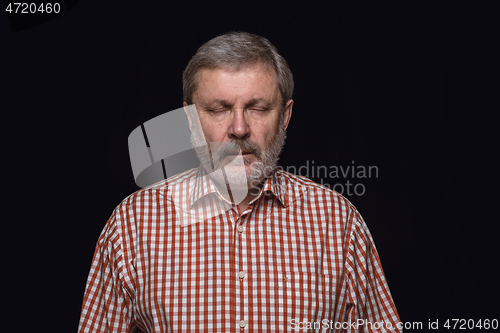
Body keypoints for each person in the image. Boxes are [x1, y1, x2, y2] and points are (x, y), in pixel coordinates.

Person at [78, 31, 402, 332]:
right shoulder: (132, 225)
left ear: (285, 117)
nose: (238, 129)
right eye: (219, 109)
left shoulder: (338, 222)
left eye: (257, 108)